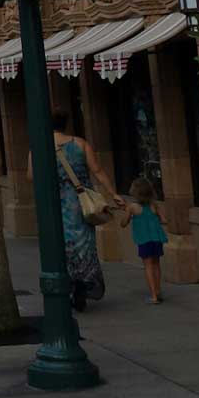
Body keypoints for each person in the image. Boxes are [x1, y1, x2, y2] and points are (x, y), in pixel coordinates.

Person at [30, 110, 124, 310]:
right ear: (65, 124)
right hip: (79, 204)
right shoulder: (80, 144)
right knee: (84, 244)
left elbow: (31, 176)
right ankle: (83, 283)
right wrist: (113, 193)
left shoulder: (39, 147)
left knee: (60, 245)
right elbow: (97, 170)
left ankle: (68, 283)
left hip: (55, 204)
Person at [121, 176, 168, 305]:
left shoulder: (132, 207)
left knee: (148, 266)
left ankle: (153, 295)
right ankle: (158, 291)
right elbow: (164, 220)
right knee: (156, 264)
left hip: (144, 239)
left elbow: (123, 223)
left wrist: (127, 213)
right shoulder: (154, 205)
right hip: (157, 238)